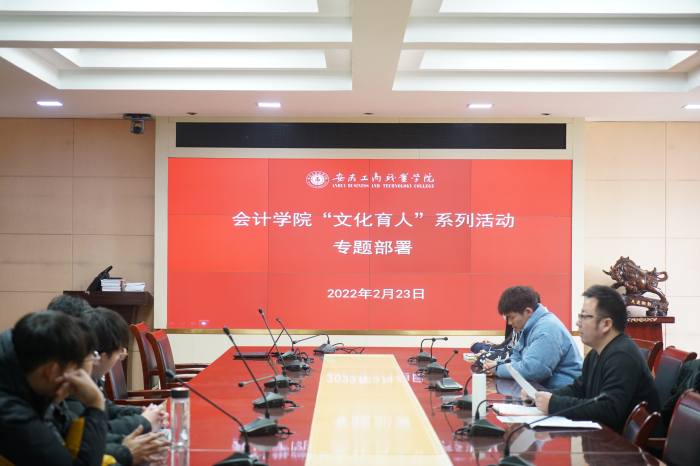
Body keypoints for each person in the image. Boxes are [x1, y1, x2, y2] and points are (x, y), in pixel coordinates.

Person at [526, 285, 662, 435]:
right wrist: (540, 395)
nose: (578, 323)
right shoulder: (596, 352)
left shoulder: (622, 355)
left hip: (626, 445)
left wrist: (554, 404)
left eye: (584, 317)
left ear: (606, 324)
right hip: (604, 437)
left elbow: (609, 409)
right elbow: (579, 389)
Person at [0, 311, 108, 465]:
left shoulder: (13, 356)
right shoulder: (10, 415)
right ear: (51, 371)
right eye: (75, 368)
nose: (82, 376)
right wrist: (96, 405)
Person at [65, 307, 170, 465]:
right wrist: (143, 422)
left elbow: (107, 411)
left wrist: (143, 414)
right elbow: (90, 436)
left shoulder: (89, 377)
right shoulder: (68, 390)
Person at [482, 286, 582, 389]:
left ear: (528, 312)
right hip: (545, 391)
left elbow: (532, 371)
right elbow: (516, 357)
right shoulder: (530, 327)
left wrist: (498, 369)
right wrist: (499, 366)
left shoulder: (547, 330)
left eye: (512, 317)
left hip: (564, 393)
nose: (509, 323)